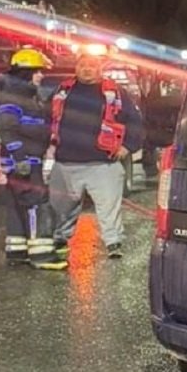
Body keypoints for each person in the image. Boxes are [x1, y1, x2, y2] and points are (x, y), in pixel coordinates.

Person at [48, 49, 144, 258]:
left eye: (92, 65)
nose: (86, 69)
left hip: (103, 164)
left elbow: (135, 121)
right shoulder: (62, 90)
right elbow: (47, 115)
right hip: (66, 162)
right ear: (76, 67)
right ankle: (60, 239)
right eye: (82, 65)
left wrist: (128, 146)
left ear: (100, 69)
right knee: (61, 207)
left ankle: (113, 243)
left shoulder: (115, 93)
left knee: (108, 207)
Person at [0, 47, 66, 271]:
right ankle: (42, 255)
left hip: (24, 160)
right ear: (26, 73)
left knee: (17, 206)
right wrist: (19, 157)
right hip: (24, 161)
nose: (41, 75)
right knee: (37, 204)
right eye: (37, 71)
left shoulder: (25, 95)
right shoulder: (14, 98)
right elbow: (7, 129)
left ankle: (17, 252)